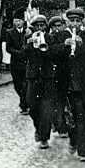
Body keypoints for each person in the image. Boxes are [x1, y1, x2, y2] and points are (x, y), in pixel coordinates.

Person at [52, 7, 85, 162]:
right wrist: (64, 46)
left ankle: (84, 150)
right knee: (69, 118)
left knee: (84, 117)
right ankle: (73, 140)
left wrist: (81, 46)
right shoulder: (60, 35)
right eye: (71, 21)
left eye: (77, 21)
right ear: (67, 21)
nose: (74, 24)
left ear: (81, 22)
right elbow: (51, 54)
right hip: (66, 83)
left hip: (84, 83)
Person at [24, 14, 56, 148]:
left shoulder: (50, 38)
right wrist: (29, 44)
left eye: (42, 25)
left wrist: (45, 46)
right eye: (37, 26)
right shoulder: (28, 39)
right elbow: (23, 55)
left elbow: (54, 55)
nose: (40, 28)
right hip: (33, 77)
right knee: (32, 107)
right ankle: (38, 128)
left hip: (47, 77)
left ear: (46, 27)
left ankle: (44, 137)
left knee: (46, 108)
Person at [47, 15, 69, 137]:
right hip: (55, 73)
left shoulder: (68, 35)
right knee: (58, 101)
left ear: (63, 25)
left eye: (59, 25)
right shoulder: (50, 38)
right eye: (54, 26)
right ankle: (61, 127)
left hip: (67, 71)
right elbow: (50, 51)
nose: (57, 28)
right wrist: (63, 46)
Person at [5, 9, 29, 114]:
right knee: (17, 85)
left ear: (23, 21)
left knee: (25, 85)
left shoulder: (28, 32)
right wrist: (18, 53)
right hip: (15, 63)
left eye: (19, 21)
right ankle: (24, 101)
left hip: (26, 63)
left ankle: (24, 105)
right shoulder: (9, 33)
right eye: (15, 21)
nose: (17, 23)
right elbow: (8, 48)